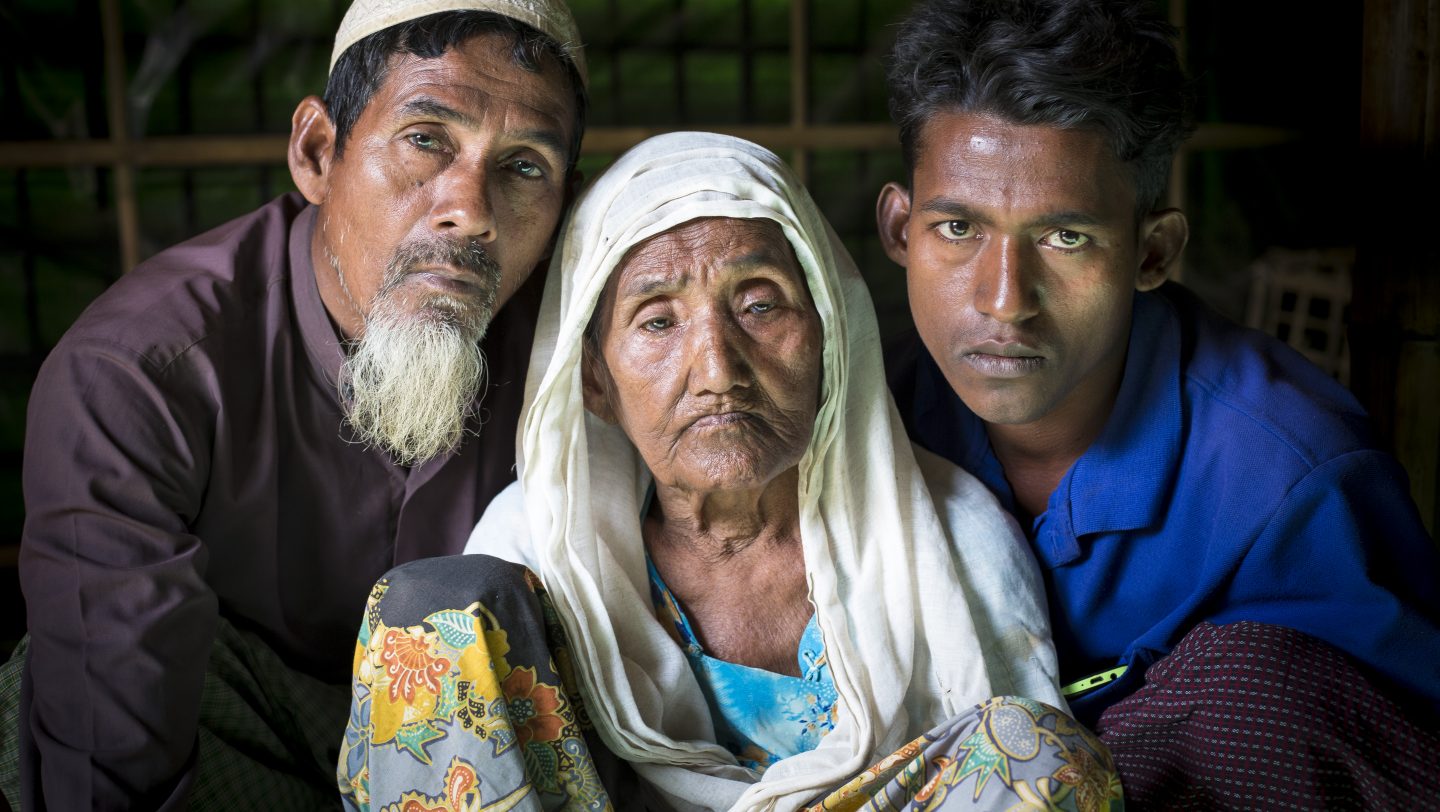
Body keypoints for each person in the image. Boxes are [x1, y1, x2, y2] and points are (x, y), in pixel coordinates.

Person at [338, 132, 1123, 810]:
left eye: (759, 305)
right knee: (428, 614)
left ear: (829, 338)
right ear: (595, 382)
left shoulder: (950, 532)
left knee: (1043, 753)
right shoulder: (535, 550)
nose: (717, 368)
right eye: (657, 321)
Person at [0, 0, 587, 807]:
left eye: (525, 167)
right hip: (245, 749)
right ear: (318, 152)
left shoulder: (590, 352)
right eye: (426, 140)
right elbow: (114, 752)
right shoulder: (139, 371)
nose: (472, 210)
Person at [877, 0, 1440, 805]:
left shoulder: (1295, 485)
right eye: (958, 228)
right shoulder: (864, 431)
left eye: (1065, 237)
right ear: (901, 230)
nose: (1004, 300)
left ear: (1152, 251)